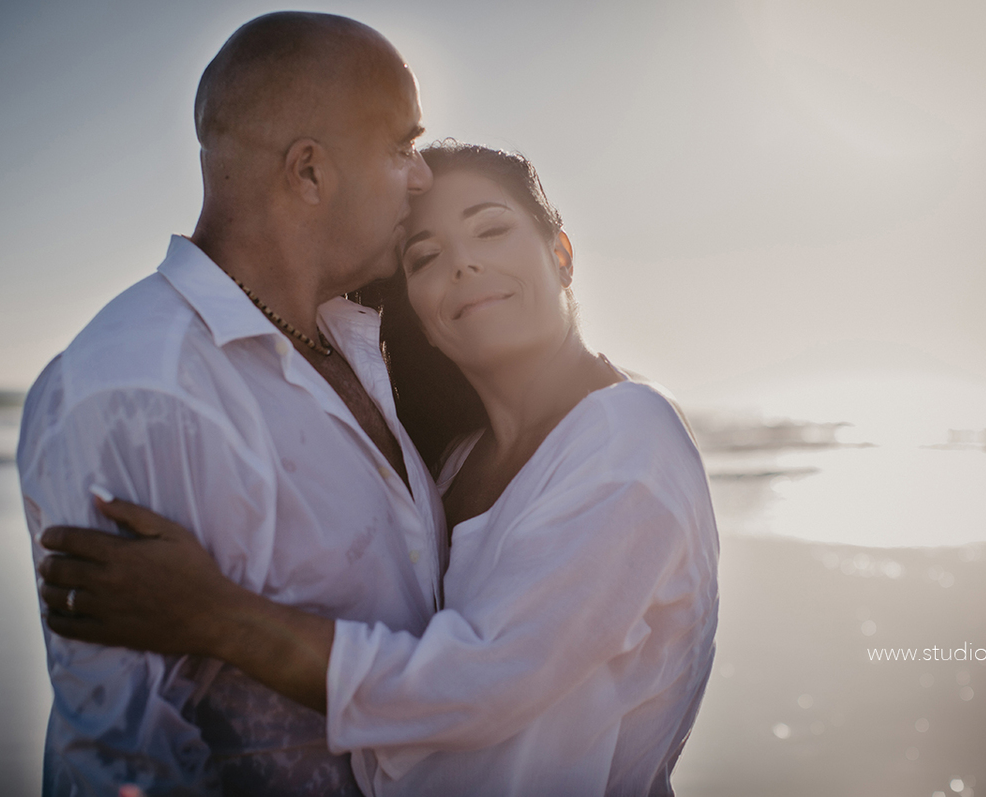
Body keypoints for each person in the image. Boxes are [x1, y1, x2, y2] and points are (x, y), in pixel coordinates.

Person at [38, 142, 721, 796]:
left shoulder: (629, 435)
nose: (463, 266)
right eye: (424, 257)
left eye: (491, 231)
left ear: (561, 254)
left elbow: (483, 678)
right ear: (418, 313)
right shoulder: (447, 466)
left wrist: (213, 616)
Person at [17, 12, 439, 795]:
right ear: (309, 172)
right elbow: (119, 764)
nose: (422, 178)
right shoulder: (139, 385)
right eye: (400, 148)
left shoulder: (352, 338)